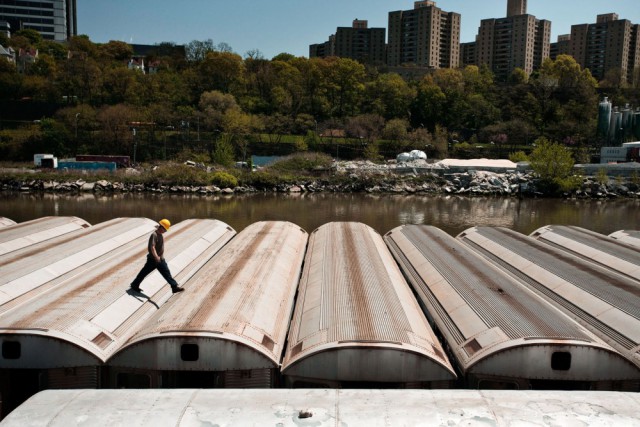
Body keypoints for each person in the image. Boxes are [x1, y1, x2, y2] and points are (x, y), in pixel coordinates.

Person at [129, 219, 184, 294]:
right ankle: (134, 284)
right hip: (153, 260)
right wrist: (156, 257)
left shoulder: (160, 235)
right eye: (165, 229)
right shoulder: (154, 235)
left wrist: (159, 257)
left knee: (166, 273)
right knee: (144, 273)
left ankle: (174, 287)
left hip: (160, 259)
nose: (165, 231)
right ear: (161, 227)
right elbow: (152, 247)